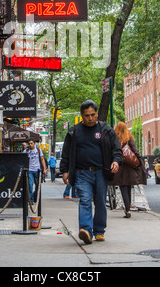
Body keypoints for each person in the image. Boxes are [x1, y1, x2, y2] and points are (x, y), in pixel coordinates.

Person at [60, 99, 123, 245]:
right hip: (82, 173)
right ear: (82, 115)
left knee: (100, 201)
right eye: (87, 115)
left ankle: (99, 230)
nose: (90, 118)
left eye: (93, 115)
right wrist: (64, 170)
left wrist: (116, 161)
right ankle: (86, 230)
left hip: (101, 172)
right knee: (85, 200)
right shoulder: (74, 132)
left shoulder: (105, 130)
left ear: (96, 114)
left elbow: (116, 149)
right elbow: (66, 152)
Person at [112, 122, 147, 218]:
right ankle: (128, 208)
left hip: (119, 166)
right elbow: (135, 150)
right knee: (128, 187)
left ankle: (127, 209)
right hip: (129, 167)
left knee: (123, 187)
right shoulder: (129, 138)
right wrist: (139, 160)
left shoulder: (114, 138)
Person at [24, 139, 47, 203]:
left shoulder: (38, 150)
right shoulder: (26, 151)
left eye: (31, 143)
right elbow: (23, 159)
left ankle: (35, 197)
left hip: (37, 170)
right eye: (29, 143)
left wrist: (44, 169)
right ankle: (30, 199)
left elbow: (42, 159)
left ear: (34, 143)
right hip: (30, 170)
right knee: (30, 185)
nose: (30, 145)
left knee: (38, 185)